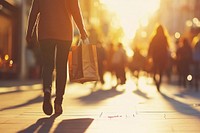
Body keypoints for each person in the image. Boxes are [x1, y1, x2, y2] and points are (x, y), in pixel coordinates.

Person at [26, 0, 88, 115]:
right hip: (64, 32)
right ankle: (58, 102)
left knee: (48, 65)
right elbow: (75, 10)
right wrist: (82, 31)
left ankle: (47, 90)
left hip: (45, 32)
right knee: (61, 67)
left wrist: (29, 32)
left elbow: (34, 11)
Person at [148, 24, 169, 92]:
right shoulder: (165, 37)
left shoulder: (154, 37)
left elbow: (150, 47)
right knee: (161, 71)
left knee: (155, 69)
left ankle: (155, 79)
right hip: (162, 57)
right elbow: (167, 47)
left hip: (155, 56)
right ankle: (159, 82)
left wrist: (149, 56)